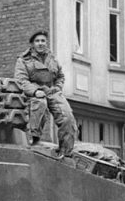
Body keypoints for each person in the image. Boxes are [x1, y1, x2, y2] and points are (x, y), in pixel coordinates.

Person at [14, 29, 78, 158]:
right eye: (37, 41)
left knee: (68, 117)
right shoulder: (23, 60)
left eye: (43, 41)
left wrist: (58, 88)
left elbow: (60, 76)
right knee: (40, 104)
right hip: (34, 92)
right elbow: (21, 80)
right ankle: (34, 139)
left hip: (52, 90)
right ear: (32, 44)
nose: (40, 43)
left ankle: (65, 152)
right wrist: (35, 91)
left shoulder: (52, 59)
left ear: (46, 43)